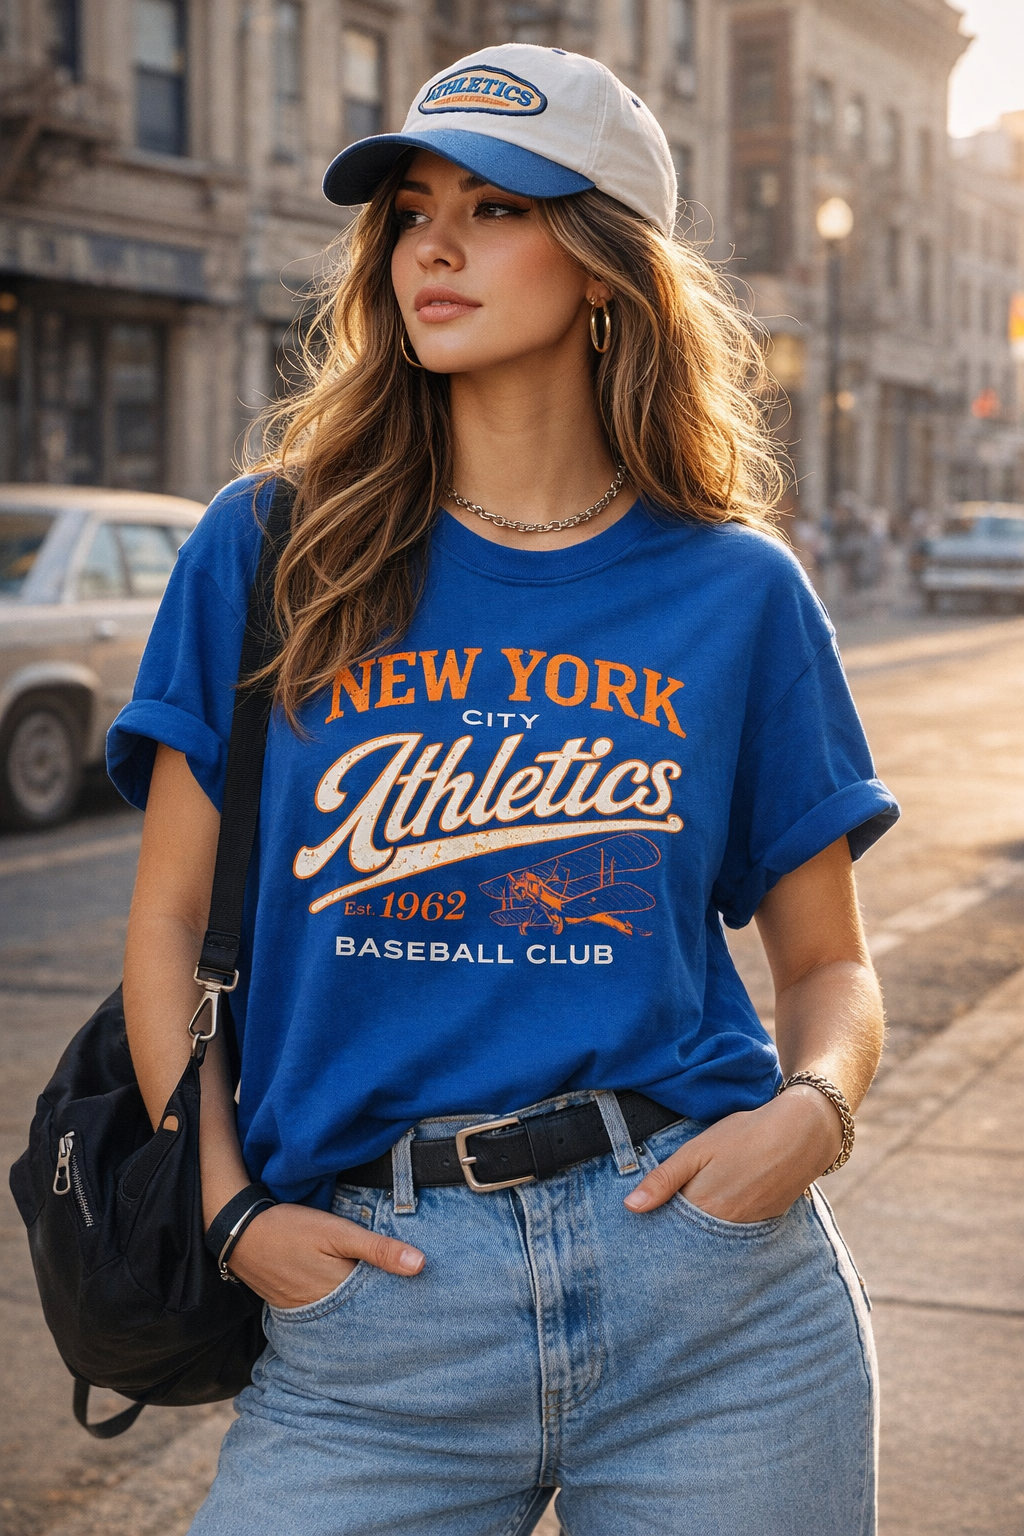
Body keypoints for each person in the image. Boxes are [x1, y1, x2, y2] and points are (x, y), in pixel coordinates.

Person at [109, 45, 898, 1536]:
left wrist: (812, 1112)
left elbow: (832, 964)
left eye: (496, 207)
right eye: (412, 212)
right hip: (373, 1316)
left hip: (711, 1299)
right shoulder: (273, 548)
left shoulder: (737, 593)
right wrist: (229, 1216)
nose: (437, 247)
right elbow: (163, 933)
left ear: (604, 266)